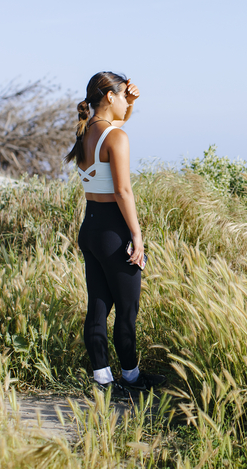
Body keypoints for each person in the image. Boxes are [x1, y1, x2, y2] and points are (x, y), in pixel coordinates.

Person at [64, 71, 166, 397]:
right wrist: (137, 236)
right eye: (123, 96)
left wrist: (131, 104)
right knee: (127, 309)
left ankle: (104, 382)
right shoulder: (115, 138)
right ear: (109, 97)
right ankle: (131, 378)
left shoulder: (86, 133)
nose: (126, 102)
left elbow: (115, 128)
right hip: (113, 231)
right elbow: (123, 191)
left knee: (97, 307)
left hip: (90, 227)